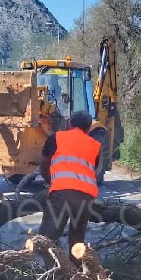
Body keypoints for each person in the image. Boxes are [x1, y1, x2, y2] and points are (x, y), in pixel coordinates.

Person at [39, 111, 101, 265]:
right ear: (88, 128)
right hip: (86, 198)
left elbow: (44, 167)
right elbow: (92, 170)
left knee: (47, 238)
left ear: (70, 124)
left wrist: (52, 183)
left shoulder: (57, 138)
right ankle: (76, 276)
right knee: (77, 241)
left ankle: (53, 276)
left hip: (61, 194)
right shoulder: (95, 145)